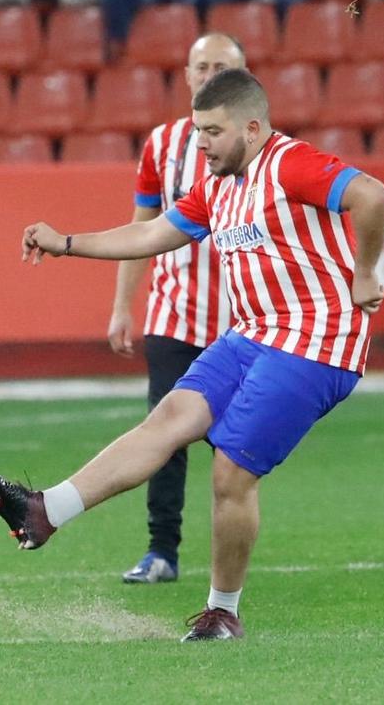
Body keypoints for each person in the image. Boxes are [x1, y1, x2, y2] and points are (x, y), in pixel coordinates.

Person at [0, 68, 384, 641]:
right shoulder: (217, 187)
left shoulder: (290, 163)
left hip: (314, 340)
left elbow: (371, 194)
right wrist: (67, 244)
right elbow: (150, 235)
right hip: (254, 335)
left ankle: (222, 611)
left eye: (213, 132)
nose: (200, 143)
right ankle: (44, 512)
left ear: (252, 129)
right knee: (169, 419)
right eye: (197, 130)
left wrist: (366, 272)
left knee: (231, 471)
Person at [103, 32, 244, 585]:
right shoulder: (162, 145)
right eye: (201, 66)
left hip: (243, 319)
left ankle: (227, 556)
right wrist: (122, 306)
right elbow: (141, 229)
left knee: (234, 445)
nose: (209, 75)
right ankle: (161, 550)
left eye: (221, 67)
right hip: (174, 313)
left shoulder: (264, 145)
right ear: (186, 77)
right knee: (165, 433)